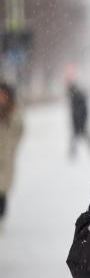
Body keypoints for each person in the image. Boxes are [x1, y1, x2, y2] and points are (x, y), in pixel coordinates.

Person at [0, 82, 23, 229]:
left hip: (6, 155)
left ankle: (1, 216)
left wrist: (12, 147)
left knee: (2, 188)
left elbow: (19, 130)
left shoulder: (13, 112)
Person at [67, 81, 90, 158]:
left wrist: (81, 121)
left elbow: (83, 111)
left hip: (80, 122)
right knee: (78, 137)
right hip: (77, 121)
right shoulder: (74, 97)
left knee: (83, 136)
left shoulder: (78, 97)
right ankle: (73, 152)